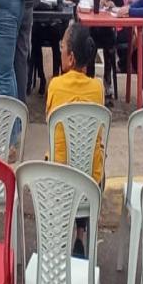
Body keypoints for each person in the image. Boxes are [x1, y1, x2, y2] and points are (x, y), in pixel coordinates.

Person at [46, 22, 104, 257]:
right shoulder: (98, 89)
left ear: (70, 58)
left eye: (62, 47)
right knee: (91, 159)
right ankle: (81, 235)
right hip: (90, 181)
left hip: (59, 179)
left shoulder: (55, 86)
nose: (60, 51)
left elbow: (51, 121)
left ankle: (59, 234)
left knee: (58, 155)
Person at [31, 0, 73, 95]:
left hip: (56, 22)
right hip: (43, 20)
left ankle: (55, 78)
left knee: (57, 37)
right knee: (35, 36)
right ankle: (42, 78)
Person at [87, 0, 124, 102]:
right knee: (90, 46)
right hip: (93, 25)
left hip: (107, 27)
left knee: (110, 47)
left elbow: (121, 7)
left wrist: (113, 5)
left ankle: (107, 85)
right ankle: (90, 82)